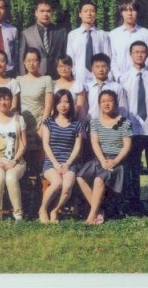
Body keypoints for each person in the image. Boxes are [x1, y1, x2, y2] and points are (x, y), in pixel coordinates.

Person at [118, 41, 148, 215]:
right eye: (136, 52)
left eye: (143, 52)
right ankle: (134, 203)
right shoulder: (123, 78)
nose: (139, 55)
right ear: (131, 55)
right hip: (133, 129)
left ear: (147, 54)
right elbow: (123, 105)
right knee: (133, 168)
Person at [76, 90, 132, 225]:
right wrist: (102, 161)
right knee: (80, 177)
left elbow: (127, 145)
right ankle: (99, 211)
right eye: (103, 101)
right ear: (99, 104)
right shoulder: (95, 122)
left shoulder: (124, 122)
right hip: (100, 159)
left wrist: (115, 161)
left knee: (98, 179)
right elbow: (95, 143)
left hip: (117, 162)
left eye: (110, 101)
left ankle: (91, 217)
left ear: (116, 103)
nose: (106, 104)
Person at [0, 86, 27, 223]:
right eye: (0, 99)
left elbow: (23, 144)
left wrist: (15, 160)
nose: (3, 102)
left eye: (6, 99)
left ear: (11, 101)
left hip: (16, 161)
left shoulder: (19, 119)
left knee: (11, 177)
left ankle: (18, 215)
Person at [38, 90, 84, 224]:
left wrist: (68, 163)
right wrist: (56, 164)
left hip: (69, 163)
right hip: (51, 162)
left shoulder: (77, 124)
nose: (63, 105)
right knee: (57, 182)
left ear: (71, 104)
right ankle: (43, 209)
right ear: (55, 104)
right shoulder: (49, 122)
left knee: (67, 186)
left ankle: (55, 210)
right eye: (60, 102)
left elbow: (77, 147)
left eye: (66, 102)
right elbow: (46, 144)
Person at [16, 48, 54, 171]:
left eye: (35, 60)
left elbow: (48, 105)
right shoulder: (19, 80)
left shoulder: (46, 79)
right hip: (23, 123)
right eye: (28, 61)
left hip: (39, 123)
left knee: (39, 161)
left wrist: (43, 125)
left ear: (39, 62)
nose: (31, 64)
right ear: (24, 62)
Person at [18, 0, 68, 77]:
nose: (45, 14)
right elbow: (22, 59)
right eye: (42, 11)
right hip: (35, 77)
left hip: (56, 77)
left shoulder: (61, 32)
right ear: (36, 13)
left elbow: (64, 56)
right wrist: (24, 79)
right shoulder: (26, 34)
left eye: (48, 11)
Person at [67, 1, 111, 85]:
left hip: (99, 77)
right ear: (80, 14)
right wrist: (73, 75)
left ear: (96, 14)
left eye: (92, 11)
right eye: (85, 11)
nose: (89, 14)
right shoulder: (73, 35)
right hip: (79, 77)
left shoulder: (102, 35)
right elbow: (70, 58)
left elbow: (107, 57)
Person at [109, 0, 148, 81]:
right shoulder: (113, 34)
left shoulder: (146, 34)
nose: (129, 13)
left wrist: (140, 75)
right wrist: (119, 77)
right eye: (126, 10)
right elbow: (112, 59)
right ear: (121, 13)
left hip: (141, 79)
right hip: (119, 80)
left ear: (137, 12)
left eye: (133, 10)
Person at [85, 53, 127, 121]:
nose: (101, 69)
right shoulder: (87, 88)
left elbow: (123, 110)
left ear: (109, 68)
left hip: (112, 124)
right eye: (97, 67)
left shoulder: (117, 87)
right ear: (92, 69)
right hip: (91, 124)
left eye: (103, 66)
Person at [53, 56, 87, 121]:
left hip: (74, 120)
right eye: (60, 66)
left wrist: (68, 121)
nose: (63, 69)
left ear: (71, 67)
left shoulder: (78, 85)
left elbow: (79, 106)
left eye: (66, 66)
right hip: (56, 120)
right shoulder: (52, 84)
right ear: (57, 68)